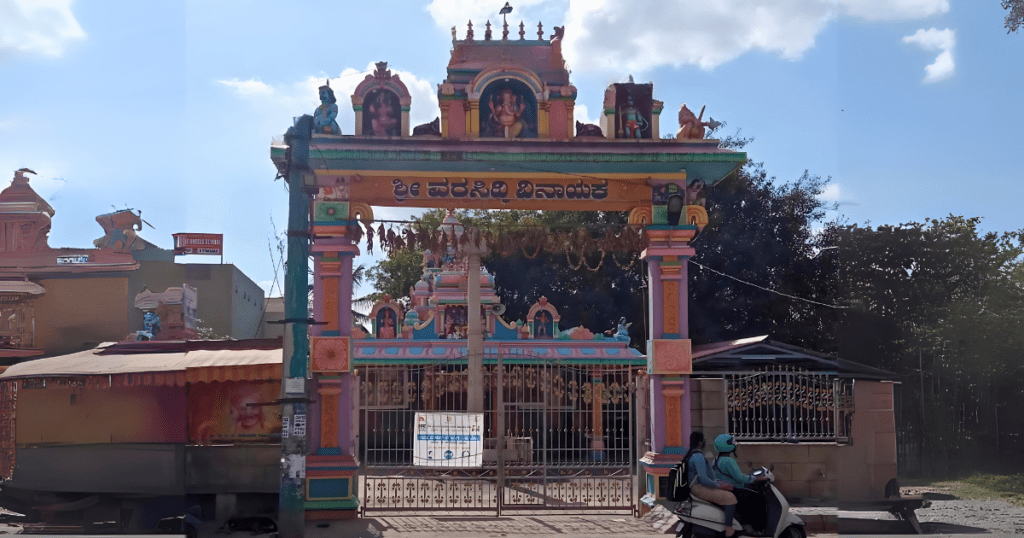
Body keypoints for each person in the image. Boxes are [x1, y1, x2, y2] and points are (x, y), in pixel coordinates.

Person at [713, 434, 773, 534]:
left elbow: (732, 475)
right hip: (734, 490)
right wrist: (758, 478)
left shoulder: (716, 460)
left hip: (724, 489)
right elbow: (740, 478)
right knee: (759, 499)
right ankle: (757, 529)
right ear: (730, 446)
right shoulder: (729, 461)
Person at [685, 431, 738, 537]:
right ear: (700, 442)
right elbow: (703, 479)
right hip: (698, 488)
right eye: (703, 440)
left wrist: (719, 483)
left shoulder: (691, 454)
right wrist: (719, 485)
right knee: (730, 498)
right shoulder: (698, 456)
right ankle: (729, 529)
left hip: (696, 487)